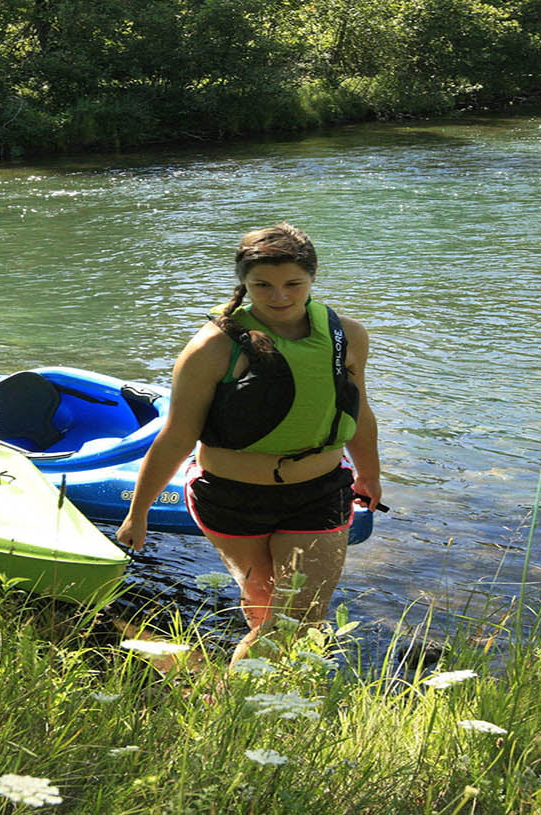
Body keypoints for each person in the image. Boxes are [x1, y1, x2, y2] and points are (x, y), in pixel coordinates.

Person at [116, 223, 382, 664]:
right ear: (244, 282)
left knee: (299, 617)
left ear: (313, 278)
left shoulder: (346, 336)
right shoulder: (213, 347)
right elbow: (177, 434)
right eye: (263, 285)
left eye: (293, 284)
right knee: (265, 604)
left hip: (319, 490)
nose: (279, 296)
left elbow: (359, 411)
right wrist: (137, 512)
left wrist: (369, 473)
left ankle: (233, 701)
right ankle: (256, 711)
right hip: (231, 498)